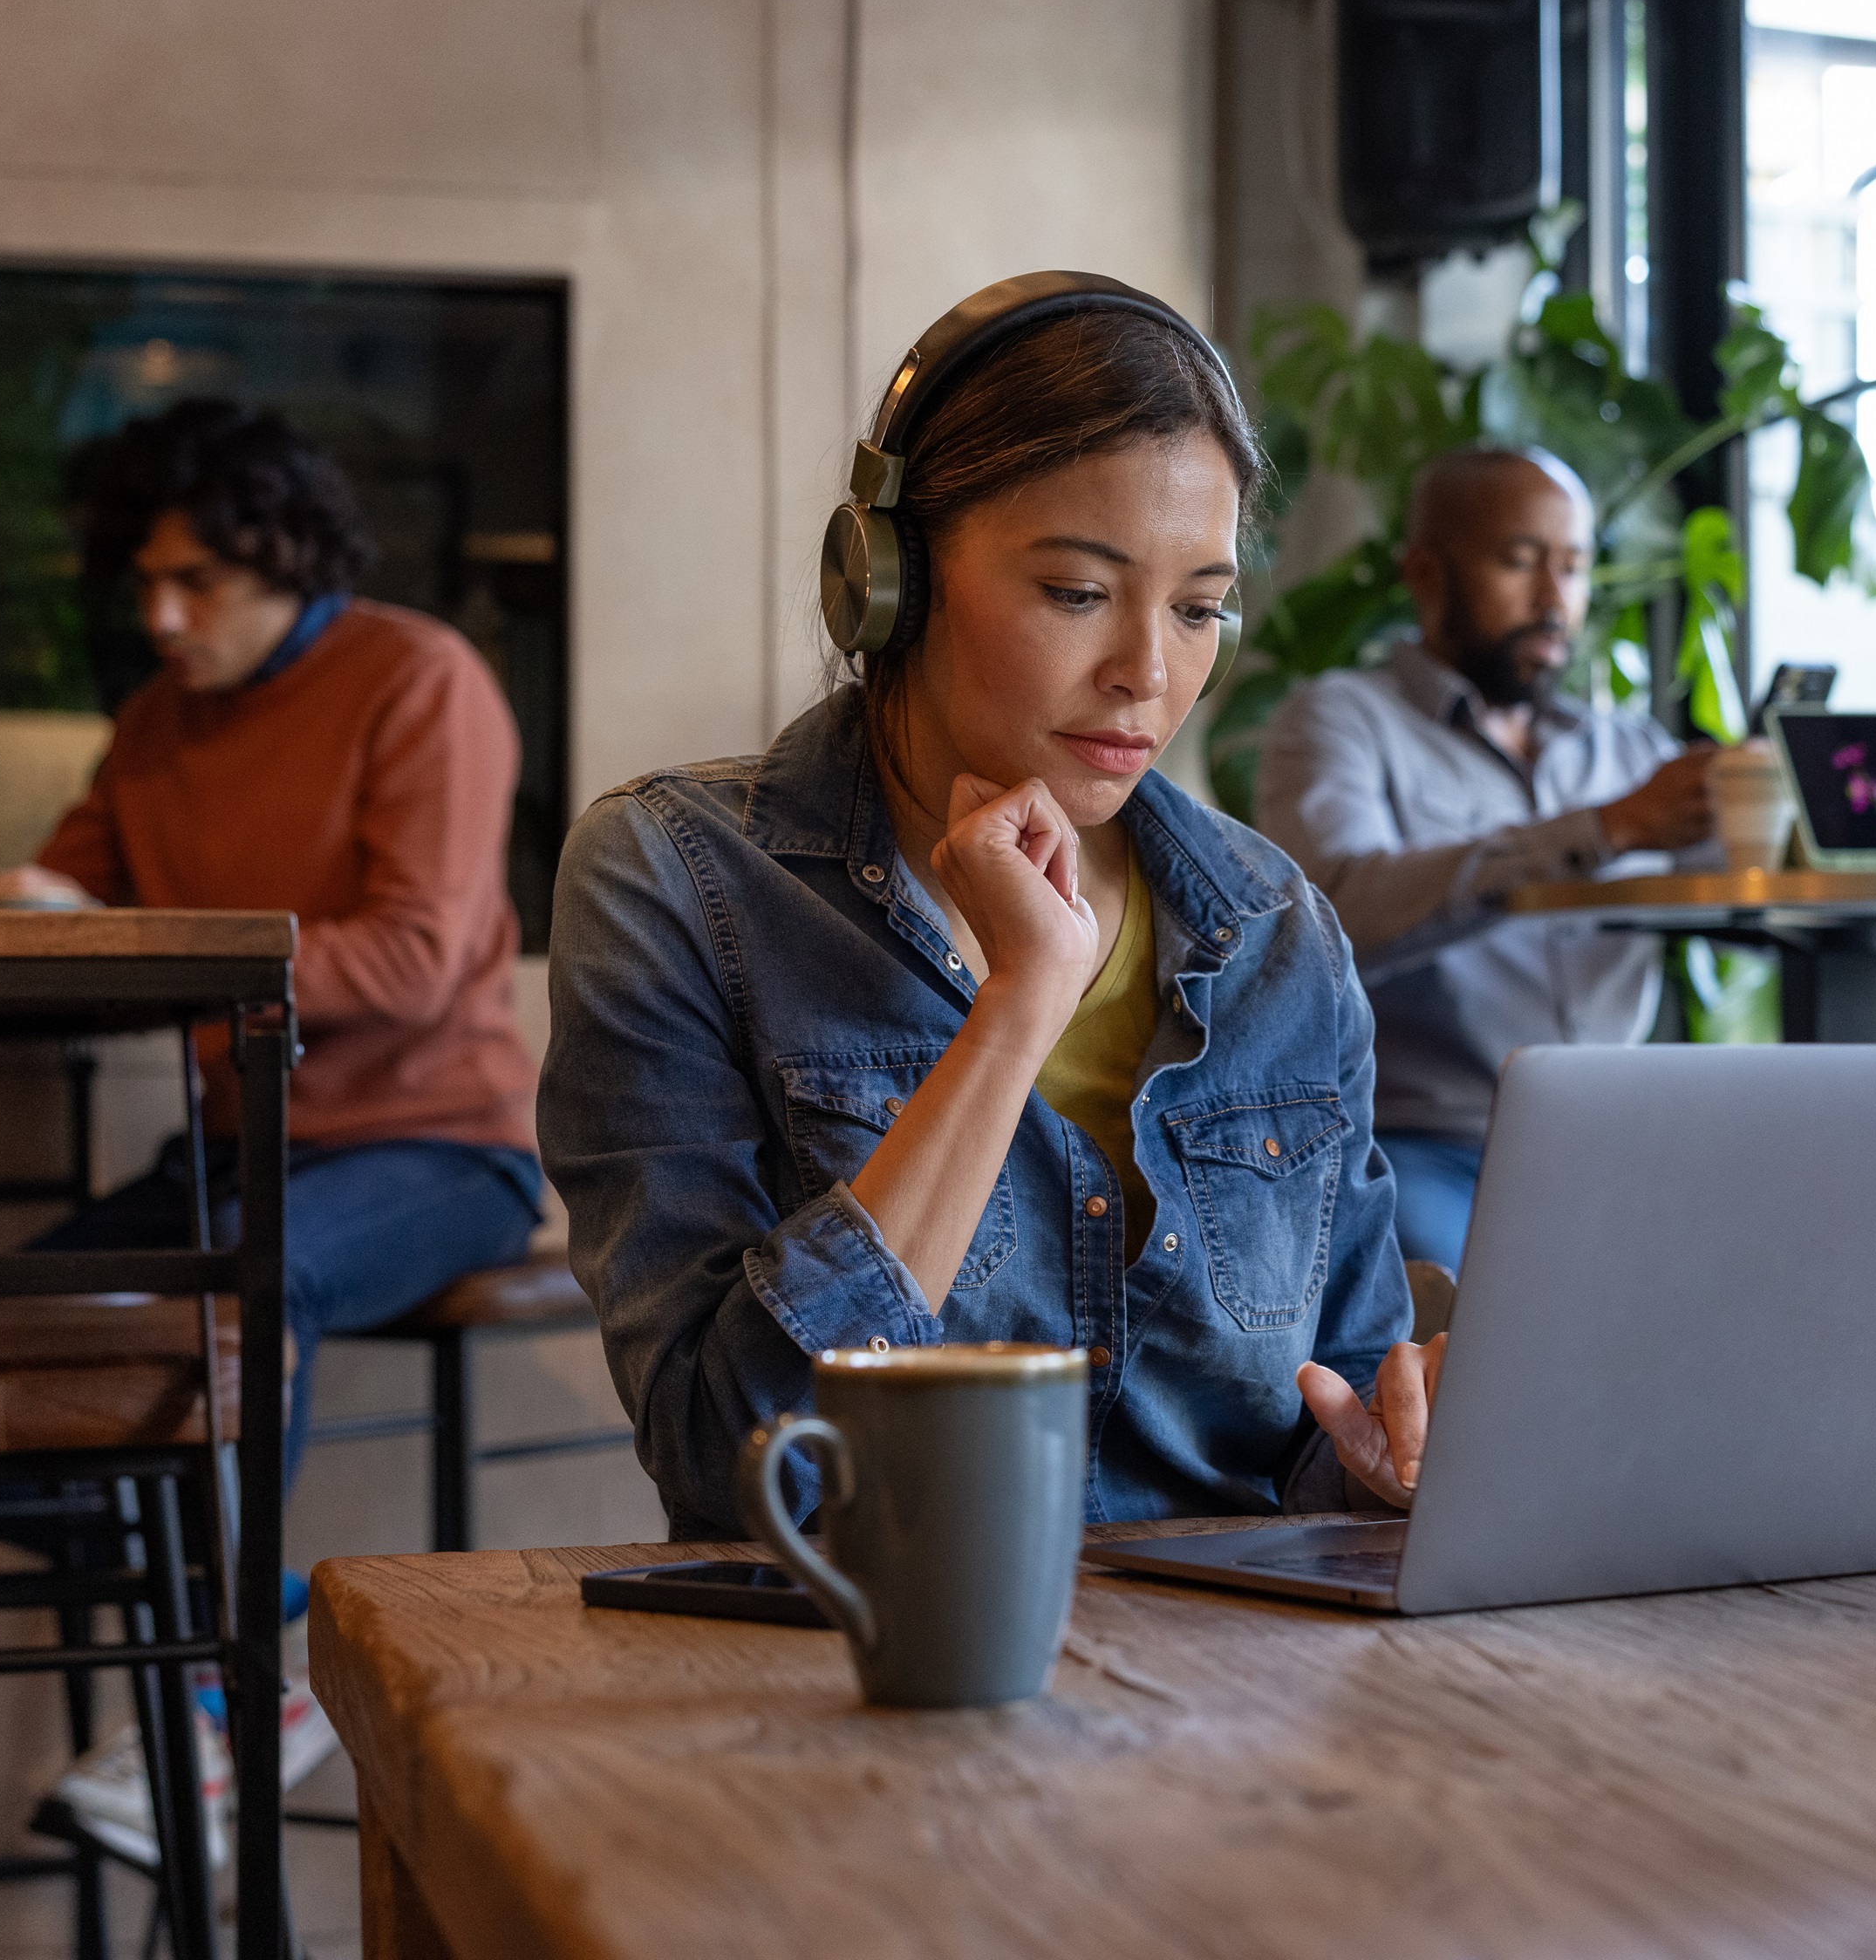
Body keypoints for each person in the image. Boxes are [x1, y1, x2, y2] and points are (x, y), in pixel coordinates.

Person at [542, 277, 1433, 1539]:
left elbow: (1330, 1435)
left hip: (1237, 1686)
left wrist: (1395, 1455)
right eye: (1077, 593)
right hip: (876, 1663)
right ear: (889, 580)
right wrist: (1016, 1011)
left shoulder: (1275, 925)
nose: (1148, 672)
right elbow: (735, 1464)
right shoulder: (672, 879)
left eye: (1197, 609)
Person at [0, 400, 543, 1482]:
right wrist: (12, 906)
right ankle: (184, 1584)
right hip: (247, 1156)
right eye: (145, 582)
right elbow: (65, 912)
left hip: (439, 1149)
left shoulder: (418, 678)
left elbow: (412, 958)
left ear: (288, 556)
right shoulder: (152, 724)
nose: (162, 617)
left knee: (256, 1271)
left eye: (198, 581)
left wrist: (156, 957)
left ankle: (221, 1634)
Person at [1255, 446, 1715, 1271]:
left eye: (1573, 569)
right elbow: (1331, 920)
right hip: (1426, 1143)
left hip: (1621, 1141)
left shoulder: (1628, 748)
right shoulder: (1340, 721)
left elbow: (1750, 883)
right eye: (1519, 561)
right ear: (1426, 573)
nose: (1554, 601)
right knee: (1490, 1336)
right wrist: (1601, 831)